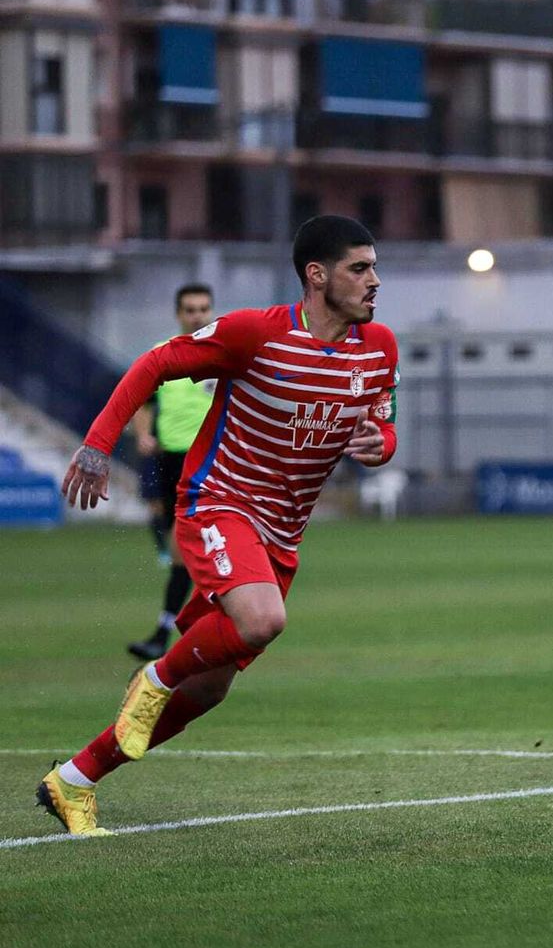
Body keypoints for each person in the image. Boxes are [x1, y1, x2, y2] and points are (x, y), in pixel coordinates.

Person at [37, 215, 398, 837]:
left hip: (283, 535)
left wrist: (380, 443)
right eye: (359, 269)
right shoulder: (253, 333)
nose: (375, 282)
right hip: (219, 503)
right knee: (261, 622)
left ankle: (73, 780)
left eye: (374, 267)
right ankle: (156, 674)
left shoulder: (379, 346)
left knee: (207, 691)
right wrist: (98, 446)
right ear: (317, 276)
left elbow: (384, 425)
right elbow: (153, 364)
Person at [125, 284, 217, 661]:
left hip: (209, 460)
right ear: (178, 314)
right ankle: (181, 633)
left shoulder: (220, 355)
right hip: (170, 458)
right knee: (167, 526)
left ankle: (166, 634)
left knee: (186, 549)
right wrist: (144, 434)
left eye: (203, 309)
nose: (197, 315)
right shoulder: (164, 355)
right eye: (190, 309)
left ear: (211, 311)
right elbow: (142, 402)